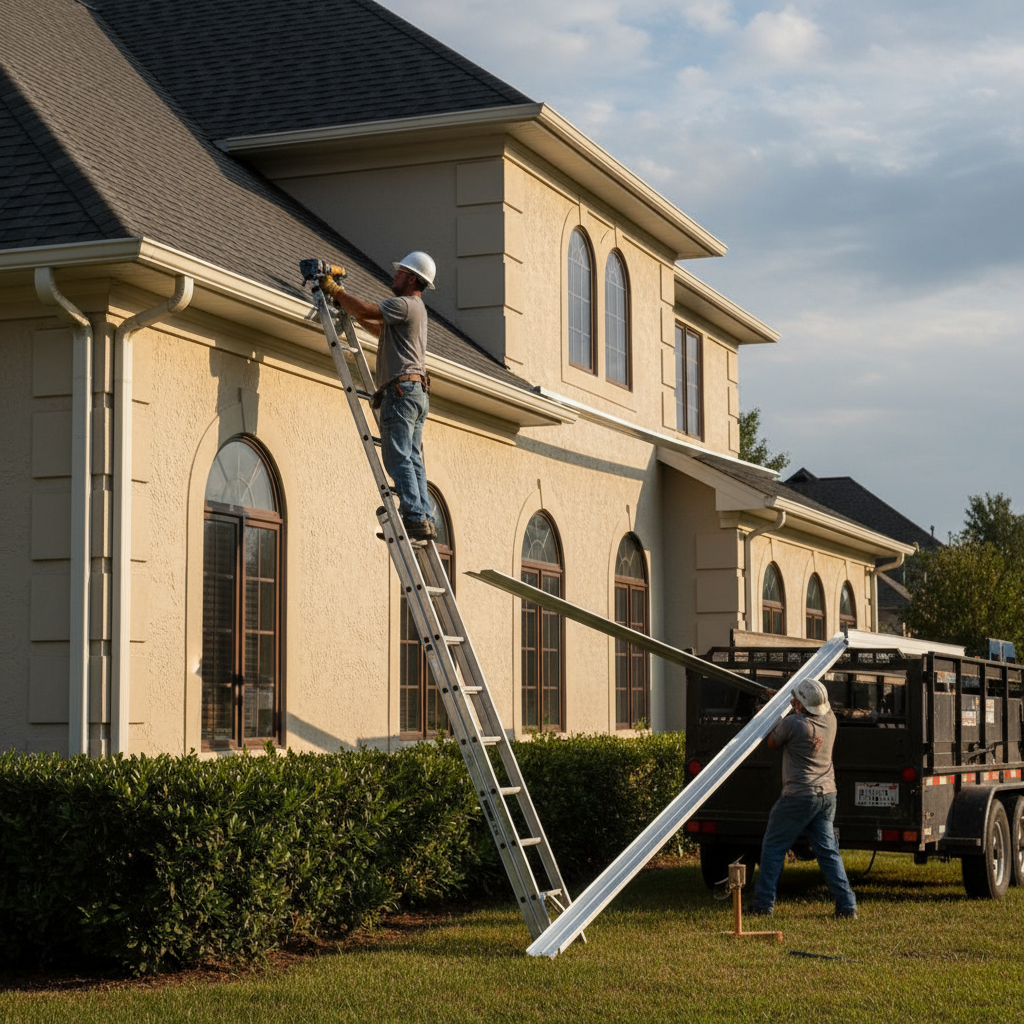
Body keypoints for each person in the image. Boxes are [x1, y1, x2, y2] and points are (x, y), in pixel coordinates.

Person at [321, 252, 437, 541]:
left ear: (412, 278)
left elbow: (369, 310)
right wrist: (349, 310)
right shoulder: (416, 310)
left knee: (398, 457)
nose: (394, 276)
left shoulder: (406, 304)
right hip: (415, 392)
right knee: (412, 458)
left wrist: (336, 290)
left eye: (400, 273)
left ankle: (412, 515)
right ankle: (422, 516)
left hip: (401, 392)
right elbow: (374, 325)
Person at [748, 677, 858, 919]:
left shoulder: (794, 725)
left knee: (773, 847)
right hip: (827, 794)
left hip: (798, 796)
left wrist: (768, 715)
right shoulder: (831, 719)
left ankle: (763, 904)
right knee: (828, 851)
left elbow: (771, 743)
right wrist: (795, 706)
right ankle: (847, 905)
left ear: (801, 704)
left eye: (796, 699)